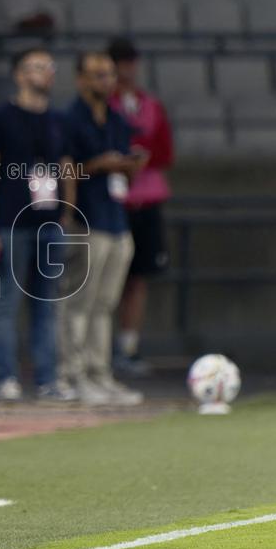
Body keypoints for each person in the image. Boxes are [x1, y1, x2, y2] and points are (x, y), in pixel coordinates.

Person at [0, 47, 74, 403]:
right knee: (7, 300)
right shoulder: (0, 118)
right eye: (36, 67)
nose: (45, 73)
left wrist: (66, 213)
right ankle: (7, 377)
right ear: (18, 74)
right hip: (11, 222)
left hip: (48, 222)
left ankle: (48, 379)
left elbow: (66, 168)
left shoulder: (58, 120)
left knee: (46, 304)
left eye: (49, 66)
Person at [58, 52, 146, 407]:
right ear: (80, 79)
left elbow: (125, 171)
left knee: (105, 303)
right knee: (79, 300)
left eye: (108, 75)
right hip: (87, 218)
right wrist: (96, 165)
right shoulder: (70, 120)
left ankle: (100, 372)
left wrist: (130, 165)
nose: (104, 81)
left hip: (115, 218)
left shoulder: (116, 120)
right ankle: (72, 373)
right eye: (96, 75)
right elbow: (66, 170)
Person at [107, 37, 174, 378]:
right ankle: (101, 349)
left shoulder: (150, 105)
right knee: (109, 277)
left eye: (131, 62)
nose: (127, 69)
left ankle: (128, 346)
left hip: (147, 197)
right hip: (116, 200)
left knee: (138, 278)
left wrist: (138, 151)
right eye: (121, 62)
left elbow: (164, 151)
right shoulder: (106, 104)